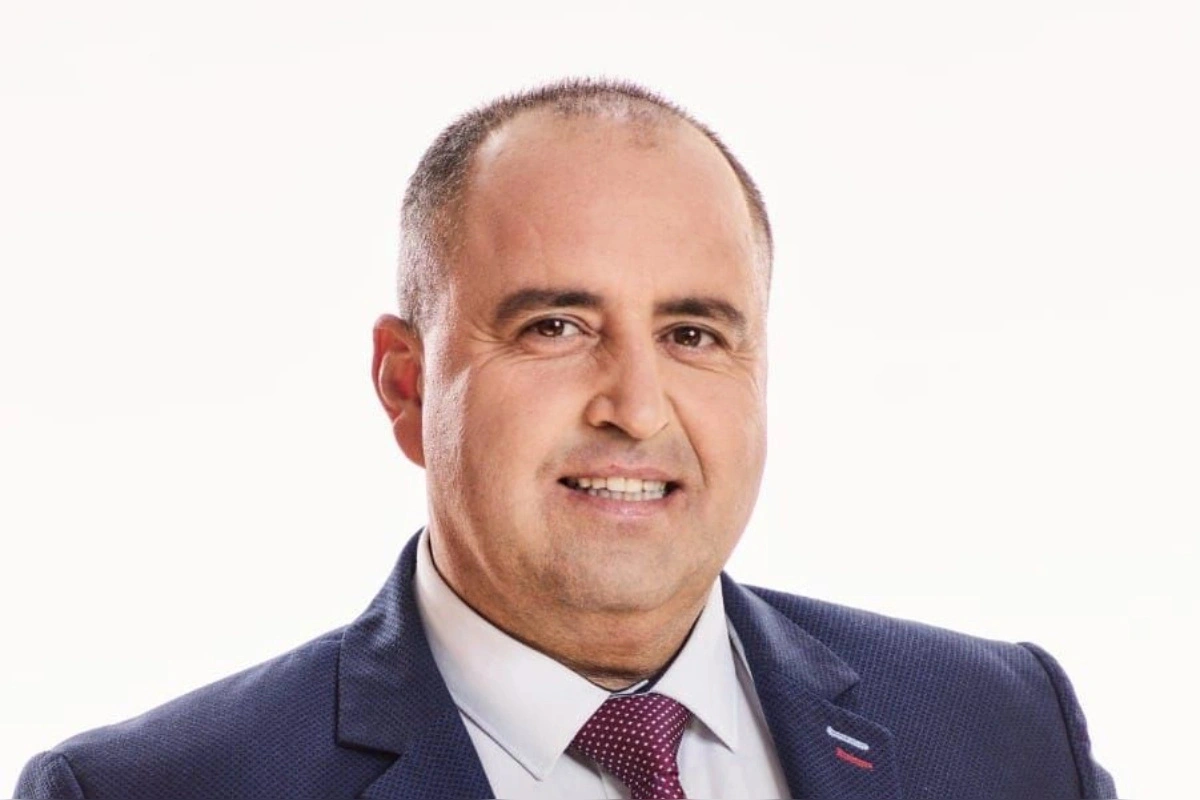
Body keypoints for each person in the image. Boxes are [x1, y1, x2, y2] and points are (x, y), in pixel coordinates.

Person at [15, 78, 1116, 800]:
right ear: (405, 385)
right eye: (556, 327)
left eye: (693, 333)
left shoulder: (1003, 729)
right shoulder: (154, 789)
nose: (636, 405)